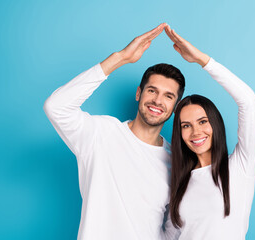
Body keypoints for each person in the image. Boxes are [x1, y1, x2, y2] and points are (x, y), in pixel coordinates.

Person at [43, 23, 185, 240]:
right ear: (139, 93)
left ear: (175, 107)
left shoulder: (175, 162)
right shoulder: (100, 133)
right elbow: (56, 107)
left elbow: (172, 231)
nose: (157, 100)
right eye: (152, 90)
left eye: (168, 96)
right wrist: (120, 58)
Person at [164, 25, 255, 239]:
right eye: (186, 125)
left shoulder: (240, 166)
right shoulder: (180, 184)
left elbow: (249, 103)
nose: (195, 132)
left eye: (202, 121)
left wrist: (202, 60)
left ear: (215, 124)